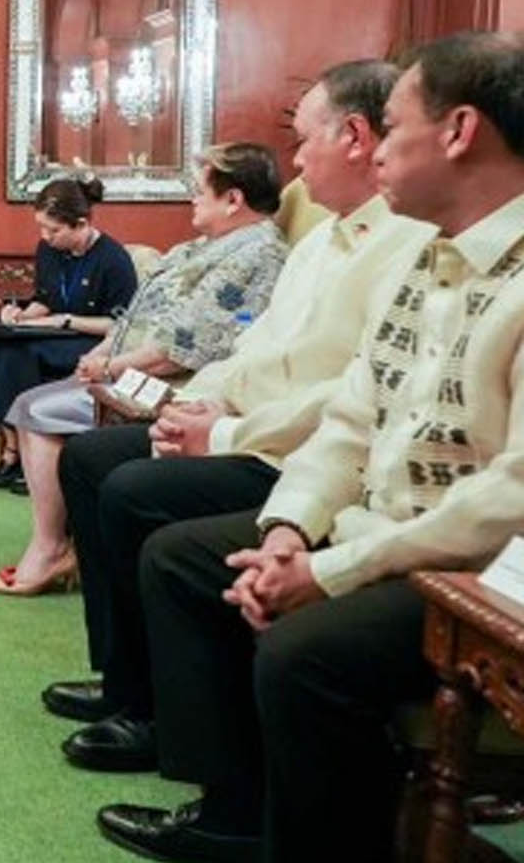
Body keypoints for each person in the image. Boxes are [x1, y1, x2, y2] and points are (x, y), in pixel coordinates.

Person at [97, 32, 524, 863]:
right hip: (376, 530)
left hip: (473, 574)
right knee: (195, 561)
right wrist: (289, 529)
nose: (381, 150)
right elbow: (353, 418)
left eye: (395, 126)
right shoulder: (429, 256)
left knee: (304, 654)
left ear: (459, 131)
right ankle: (237, 808)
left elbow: (508, 497)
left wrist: (330, 571)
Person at [42, 60, 435, 774]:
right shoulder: (320, 241)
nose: (296, 162)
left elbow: (354, 395)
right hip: (247, 425)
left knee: (133, 491)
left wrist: (222, 431)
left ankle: (167, 720)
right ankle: (129, 683)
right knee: (92, 459)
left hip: (290, 451)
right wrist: (205, 401)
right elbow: (255, 348)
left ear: (354, 137)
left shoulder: (408, 244)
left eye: (304, 140)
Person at [0, 142, 289, 596]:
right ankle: (62, 542)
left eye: (199, 191)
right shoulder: (202, 247)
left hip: (176, 384)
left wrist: (109, 366)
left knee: (35, 410)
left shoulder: (258, 255)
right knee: (28, 398)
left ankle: (51, 548)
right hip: (131, 367)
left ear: (233, 199)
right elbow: (133, 316)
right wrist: (101, 356)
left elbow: (184, 347)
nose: (192, 199)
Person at [0, 175, 137, 490]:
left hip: (93, 341)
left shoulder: (113, 259)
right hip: (53, 333)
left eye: (54, 230)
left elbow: (120, 325)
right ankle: (14, 445)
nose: (45, 237)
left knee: (21, 354)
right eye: (41, 228)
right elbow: (45, 299)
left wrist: (65, 320)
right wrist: (20, 316)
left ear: (81, 225)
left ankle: (21, 458)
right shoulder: (48, 250)